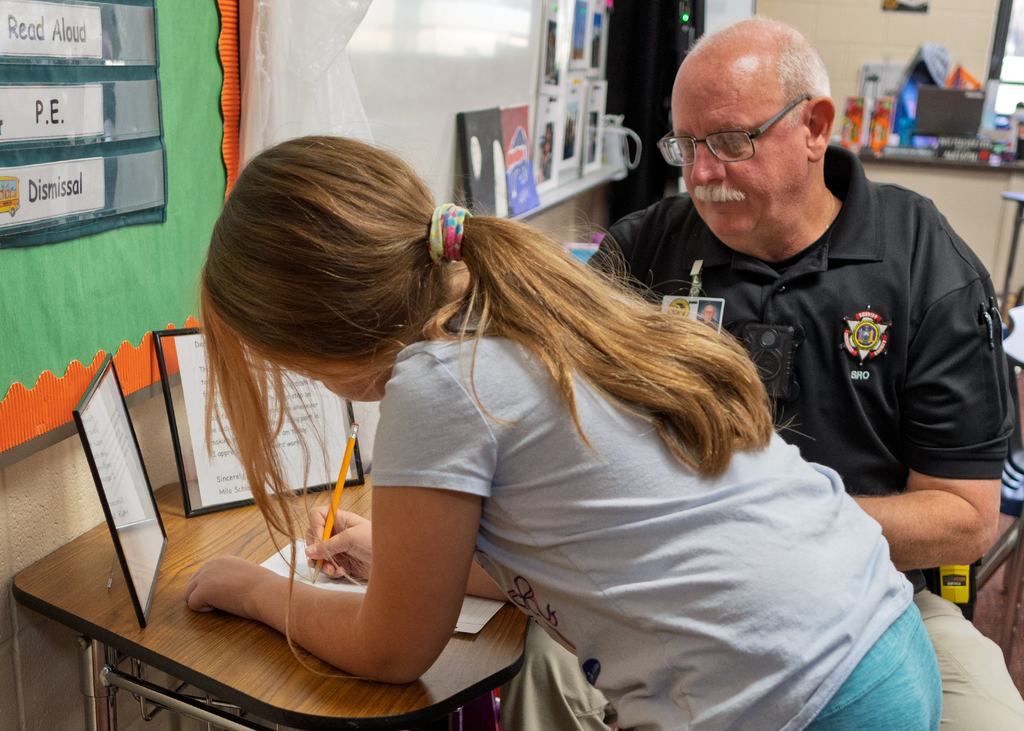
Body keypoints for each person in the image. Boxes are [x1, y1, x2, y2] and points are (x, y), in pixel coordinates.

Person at [184, 135, 941, 731]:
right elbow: (581, 534)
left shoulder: (437, 381)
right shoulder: (529, 304)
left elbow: (394, 649)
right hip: (877, 638)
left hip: (800, 699)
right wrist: (400, 554)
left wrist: (252, 588)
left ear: (323, 334)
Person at [587, 17, 1024, 729]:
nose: (701, 175)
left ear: (815, 126)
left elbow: (964, 520)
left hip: (876, 591)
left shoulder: (924, 265)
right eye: (685, 145)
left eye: (729, 142)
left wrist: (763, 525)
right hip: (668, 591)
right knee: (545, 674)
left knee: (991, 719)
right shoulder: (644, 252)